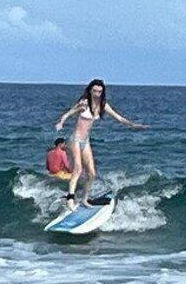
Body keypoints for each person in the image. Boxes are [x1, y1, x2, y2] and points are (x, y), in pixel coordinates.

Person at [55, 79, 148, 210]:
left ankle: (85, 199)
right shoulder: (84, 103)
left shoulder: (103, 105)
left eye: (100, 91)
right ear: (90, 90)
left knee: (92, 173)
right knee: (78, 168)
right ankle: (70, 198)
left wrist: (133, 125)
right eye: (95, 91)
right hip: (74, 140)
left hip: (85, 141)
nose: (97, 93)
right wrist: (61, 123)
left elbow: (119, 118)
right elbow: (68, 113)